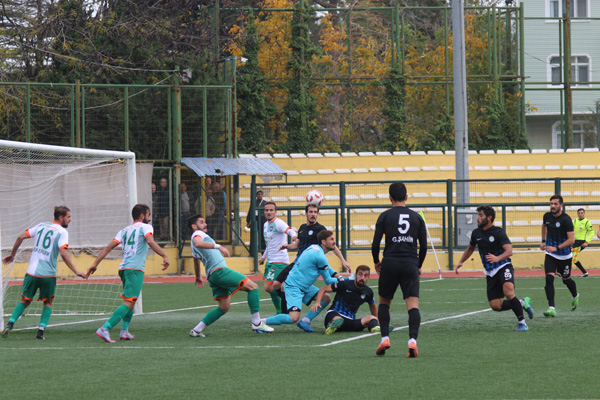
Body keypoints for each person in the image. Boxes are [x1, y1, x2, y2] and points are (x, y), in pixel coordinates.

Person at [87, 204, 170, 342]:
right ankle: (105, 328)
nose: (150, 218)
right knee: (129, 302)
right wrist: (164, 255)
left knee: (130, 301)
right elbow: (150, 241)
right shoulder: (146, 227)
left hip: (124, 268)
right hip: (135, 269)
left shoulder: (124, 230)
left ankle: (124, 331)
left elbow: (109, 247)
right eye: (148, 215)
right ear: (142, 216)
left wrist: (95, 263)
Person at [1, 206, 86, 340]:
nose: (70, 220)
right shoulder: (62, 232)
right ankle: (40, 332)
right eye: (68, 217)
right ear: (60, 217)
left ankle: (10, 324)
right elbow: (63, 253)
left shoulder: (41, 225)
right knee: (48, 302)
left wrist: (12, 254)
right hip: (48, 274)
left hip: (32, 272)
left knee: (25, 300)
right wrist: (76, 271)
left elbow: (20, 236)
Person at [187, 214, 273, 336]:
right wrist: (219, 246)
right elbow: (198, 243)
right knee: (253, 287)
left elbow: (196, 260)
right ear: (194, 226)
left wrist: (198, 277)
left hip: (212, 276)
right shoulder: (197, 235)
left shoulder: (196, 239)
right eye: (202, 222)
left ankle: (196, 330)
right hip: (220, 271)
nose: (205, 224)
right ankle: (257, 322)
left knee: (224, 307)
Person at [455, 205, 534, 332]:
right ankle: (522, 303)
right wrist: (461, 261)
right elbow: (470, 248)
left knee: (508, 292)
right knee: (495, 306)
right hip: (490, 272)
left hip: (503, 266)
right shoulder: (476, 233)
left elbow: (509, 251)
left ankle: (522, 323)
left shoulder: (498, 232)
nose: (477, 218)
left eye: (480, 215)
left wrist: (498, 258)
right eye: (478, 215)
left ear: (489, 218)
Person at [372, 182, 427, 358]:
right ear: (406, 197)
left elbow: (375, 244)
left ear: (390, 197)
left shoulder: (384, 216)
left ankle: (385, 338)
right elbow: (423, 246)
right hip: (410, 263)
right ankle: (412, 341)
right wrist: (418, 264)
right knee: (412, 306)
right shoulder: (416, 217)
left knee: (383, 303)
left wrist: (376, 261)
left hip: (389, 262)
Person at [273, 203, 351, 320]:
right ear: (306, 213)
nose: (313, 214)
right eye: (311, 212)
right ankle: (291, 305)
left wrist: (343, 260)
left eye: (315, 212)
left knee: (284, 285)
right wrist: (286, 246)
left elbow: (333, 246)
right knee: (276, 285)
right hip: (297, 262)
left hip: (307, 265)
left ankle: (286, 312)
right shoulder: (302, 227)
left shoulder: (320, 229)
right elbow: (297, 245)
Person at [261, 230, 340, 330]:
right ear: (323, 242)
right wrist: (343, 281)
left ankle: (305, 321)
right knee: (293, 318)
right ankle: (259, 322)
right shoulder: (320, 256)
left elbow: (327, 268)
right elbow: (328, 280)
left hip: (303, 286)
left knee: (326, 298)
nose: (334, 242)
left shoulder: (314, 248)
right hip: (294, 287)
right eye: (332, 239)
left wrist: (340, 277)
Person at [311, 265, 379, 335]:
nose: (362, 278)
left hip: (350, 321)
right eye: (360, 274)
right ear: (355, 275)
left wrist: (376, 319)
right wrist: (317, 302)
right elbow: (323, 289)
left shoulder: (368, 292)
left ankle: (375, 326)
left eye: (365, 275)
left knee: (371, 318)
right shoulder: (345, 284)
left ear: (368, 278)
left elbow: (372, 305)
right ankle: (333, 325)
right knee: (337, 319)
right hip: (334, 314)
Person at [540, 195, 577, 317]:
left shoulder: (566, 219)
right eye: (551, 204)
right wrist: (544, 241)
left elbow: (571, 240)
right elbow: (544, 226)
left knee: (566, 280)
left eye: (555, 204)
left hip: (565, 256)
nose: (553, 206)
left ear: (561, 205)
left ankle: (575, 296)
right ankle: (551, 308)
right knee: (549, 278)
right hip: (551, 254)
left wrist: (557, 248)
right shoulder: (547, 216)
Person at [259, 201, 297, 314]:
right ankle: (280, 310)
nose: (269, 212)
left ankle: (284, 303)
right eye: (266, 210)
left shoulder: (279, 223)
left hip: (279, 261)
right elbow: (269, 244)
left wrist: (294, 235)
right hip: (271, 261)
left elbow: (289, 230)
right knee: (271, 288)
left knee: (268, 287)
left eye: (271, 210)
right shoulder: (265, 225)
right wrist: (263, 257)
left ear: (275, 212)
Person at [572, 208, 593, 277]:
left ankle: (561, 271)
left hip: (582, 242)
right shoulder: (575, 221)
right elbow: (571, 229)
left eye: (582, 213)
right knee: (572, 258)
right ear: (577, 214)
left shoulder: (587, 222)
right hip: (575, 241)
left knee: (572, 256)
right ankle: (584, 272)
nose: (580, 214)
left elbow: (591, 232)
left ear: (584, 213)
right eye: (579, 213)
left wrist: (587, 242)